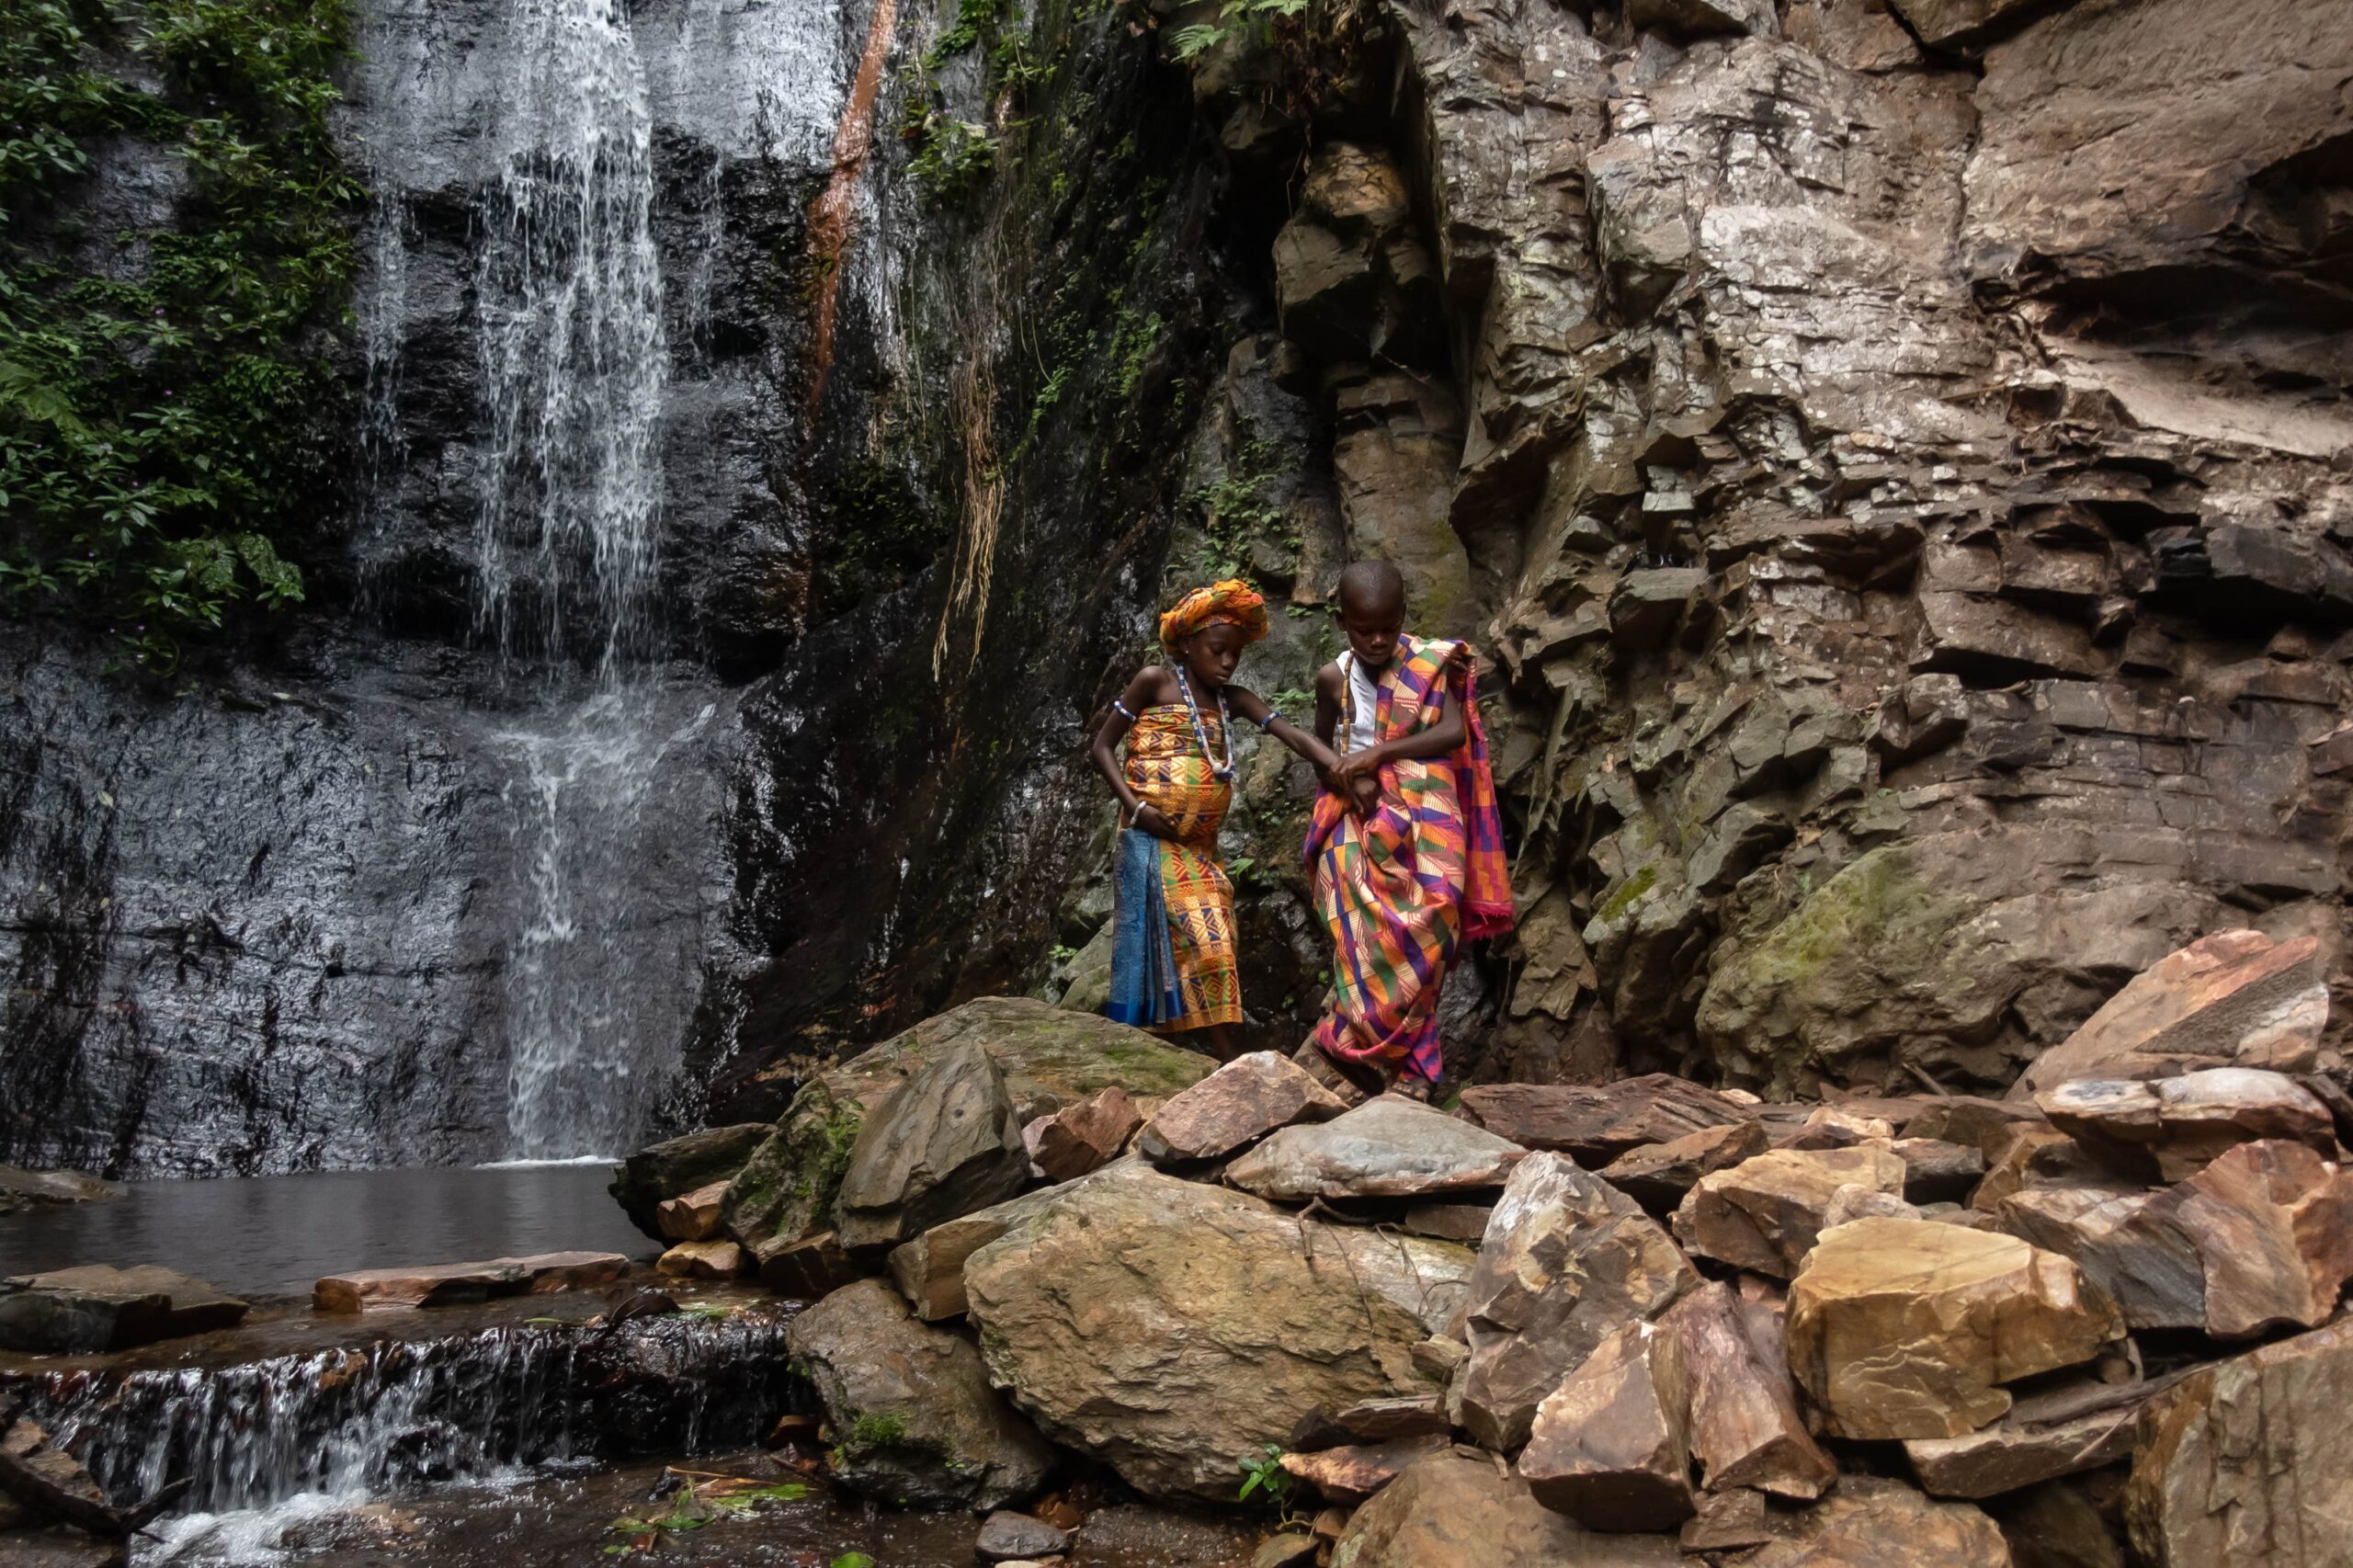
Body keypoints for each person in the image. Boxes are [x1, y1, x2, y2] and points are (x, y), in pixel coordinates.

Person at [1090, 580, 1338, 1054]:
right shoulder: (1153, 682)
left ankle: (1196, 1040)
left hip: (1199, 848)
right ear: (1187, 645)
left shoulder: (1233, 701)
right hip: (1150, 841)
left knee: (1217, 936)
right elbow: (1100, 748)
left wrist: (1339, 764)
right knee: (1199, 938)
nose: (1227, 662)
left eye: (1235, 655)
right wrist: (1137, 809)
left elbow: (1295, 737)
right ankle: (1224, 1053)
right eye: (1218, 650)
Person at [1306, 560, 1513, 1099]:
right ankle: (1402, 1065)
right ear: (1342, 621)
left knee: (1436, 912)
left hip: (1428, 802)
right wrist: (1352, 779)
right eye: (1362, 629)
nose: (1376, 639)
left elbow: (1450, 732)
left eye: (1388, 627)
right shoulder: (1333, 679)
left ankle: (1407, 1063)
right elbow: (1321, 753)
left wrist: (1379, 754)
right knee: (1358, 929)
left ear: (1403, 615)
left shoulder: (1432, 662)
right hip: (1354, 810)